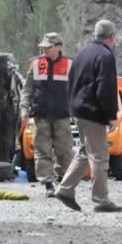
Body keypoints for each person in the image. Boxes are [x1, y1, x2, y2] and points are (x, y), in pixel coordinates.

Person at [54, 19, 122, 213]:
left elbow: (71, 82)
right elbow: (106, 88)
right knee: (100, 157)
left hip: (78, 110)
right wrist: (110, 115)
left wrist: (72, 107)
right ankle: (101, 200)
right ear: (111, 37)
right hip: (93, 112)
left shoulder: (82, 53)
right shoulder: (105, 55)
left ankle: (65, 189)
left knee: (86, 152)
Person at [20, 32, 74, 198]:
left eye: (48, 47)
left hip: (62, 116)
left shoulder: (70, 65)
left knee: (64, 150)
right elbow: (27, 89)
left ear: (58, 47)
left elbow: (77, 90)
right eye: (43, 47)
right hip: (41, 115)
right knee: (42, 150)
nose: (44, 50)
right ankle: (48, 184)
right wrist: (24, 109)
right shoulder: (36, 64)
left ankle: (62, 179)